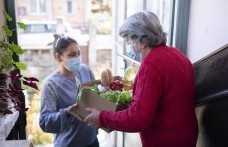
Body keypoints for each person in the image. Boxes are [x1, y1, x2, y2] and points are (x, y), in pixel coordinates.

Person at [82, 11, 199, 147]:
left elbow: (138, 119)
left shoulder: (151, 64)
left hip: (166, 140)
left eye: (129, 41)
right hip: (186, 135)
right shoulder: (178, 54)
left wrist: (102, 117)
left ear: (142, 40)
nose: (129, 46)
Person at [39, 34, 99, 147]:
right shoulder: (51, 84)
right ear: (58, 57)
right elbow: (44, 122)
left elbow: (96, 98)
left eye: (78, 53)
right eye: (72, 55)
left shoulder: (86, 70)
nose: (77, 58)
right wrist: (66, 113)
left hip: (92, 142)